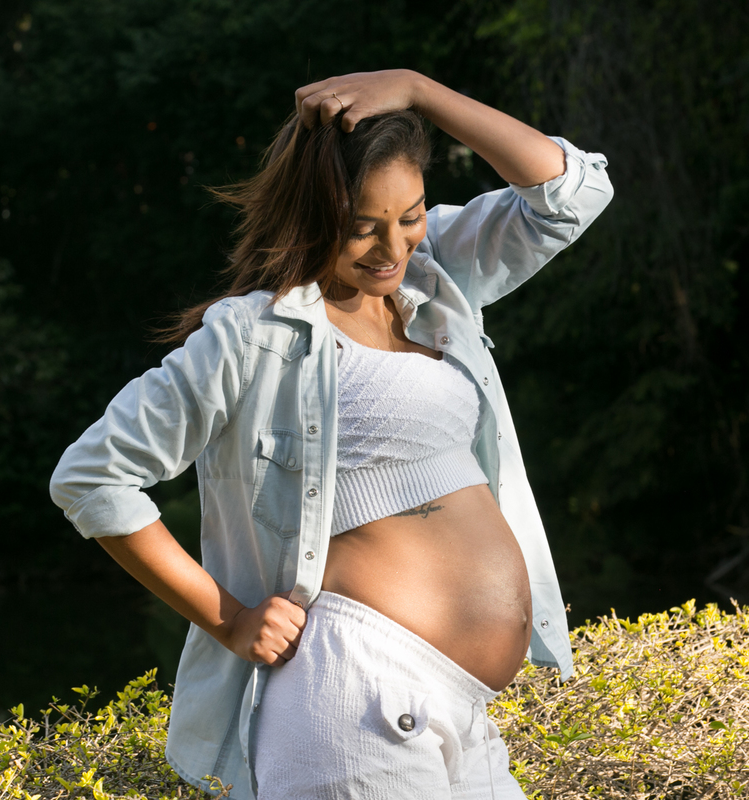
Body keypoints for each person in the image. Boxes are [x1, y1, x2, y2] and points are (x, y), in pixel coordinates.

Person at [49, 68, 613, 800]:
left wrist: (417, 91)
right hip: (353, 700)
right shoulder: (252, 336)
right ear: (312, 217)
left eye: (408, 215)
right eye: (361, 227)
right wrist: (229, 621)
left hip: (462, 710)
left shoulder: (433, 277)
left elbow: (572, 194)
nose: (391, 247)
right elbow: (92, 476)